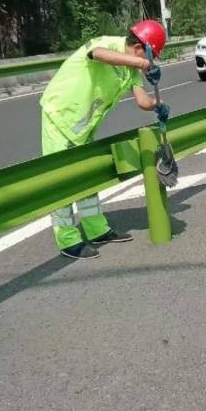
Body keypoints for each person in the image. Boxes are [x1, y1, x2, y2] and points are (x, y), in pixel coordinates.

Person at [40, 20, 169, 260]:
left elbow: (142, 101)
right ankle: (68, 240)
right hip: (60, 115)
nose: (150, 63)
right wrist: (143, 64)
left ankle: (97, 230)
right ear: (140, 48)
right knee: (62, 180)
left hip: (84, 125)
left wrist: (158, 105)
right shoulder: (108, 44)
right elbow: (97, 54)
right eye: (151, 57)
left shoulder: (131, 69)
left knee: (87, 176)